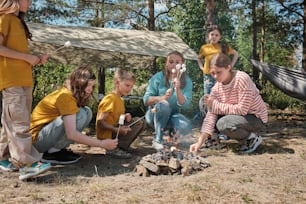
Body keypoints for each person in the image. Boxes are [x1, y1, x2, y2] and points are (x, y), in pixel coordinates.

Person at [0, 0, 52, 181]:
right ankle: (27, 164)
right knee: (19, 122)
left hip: (24, 79)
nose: (30, 2)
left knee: (13, 120)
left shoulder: (18, 21)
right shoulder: (4, 17)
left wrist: (35, 58)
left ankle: (4, 158)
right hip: (11, 79)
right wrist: (27, 57)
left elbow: (16, 52)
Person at [30, 67, 118, 165]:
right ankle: (52, 153)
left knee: (87, 112)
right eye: (87, 85)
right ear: (79, 83)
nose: (90, 89)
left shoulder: (69, 94)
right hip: (37, 141)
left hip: (45, 136)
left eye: (92, 86)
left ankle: (58, 149)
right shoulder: (65, 97)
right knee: (81, 114)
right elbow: (71, 134)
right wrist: (101, 144)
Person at [190, 53, 268, 154]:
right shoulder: (216, 88)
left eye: (219, 72)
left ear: (228, 67)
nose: (215, 76)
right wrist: (199, 142)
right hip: (236, 115)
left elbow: (242, 109)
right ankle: (213, 139)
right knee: (204, 102)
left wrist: (215, 105)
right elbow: (210, 115)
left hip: (255, 117)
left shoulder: (242, 79)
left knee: (223, 124)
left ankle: (251, 138)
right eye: (213, 73)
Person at [143, 51, 193, 151]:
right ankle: (158, 139)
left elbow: (186, 105)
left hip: (173, 115)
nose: (174, 64)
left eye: (177, 62)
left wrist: (178, 90)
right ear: (166, 63)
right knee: (164, 105)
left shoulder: (187, 81)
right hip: (154, 114)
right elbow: (146, 100)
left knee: (185, 126)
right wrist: (162, 98)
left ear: (182, 64)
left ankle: (171, 137)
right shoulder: (158, 77)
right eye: (171, 62)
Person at [96, 68, 145, 159]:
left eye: (131, 86)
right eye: (127, 85)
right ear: (117, 82)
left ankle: (122, 147)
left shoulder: (120, 99)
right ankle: (112, 149)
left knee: (139, 122)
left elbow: (115, 118)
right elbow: (100, 122)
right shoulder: (110, 99)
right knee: (139, 122)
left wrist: (125, 116)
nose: (129, 89)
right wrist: (116, 129)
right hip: (107, 135)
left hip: (115, 131)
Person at [198, 25, 239, 118]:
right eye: (212, 34)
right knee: (208, 98)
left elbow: (236, 54)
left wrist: (231, 66)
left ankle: (221, 122)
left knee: (222, 99)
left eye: (217, 35)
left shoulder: (223, 47)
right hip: (208, 77)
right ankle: (210, 123)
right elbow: (199, 58)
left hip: (221, 77)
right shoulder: (204, 48)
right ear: (208, 35)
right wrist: (201, 67)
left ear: (220, 37)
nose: (214, 37)